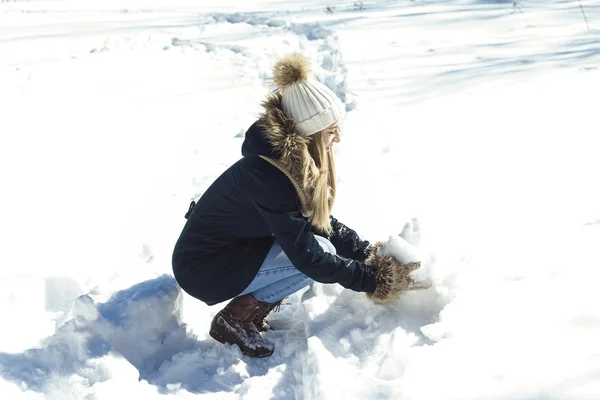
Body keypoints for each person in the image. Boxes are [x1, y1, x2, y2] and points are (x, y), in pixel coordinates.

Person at [172, 52, 425, 358]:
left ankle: (247, 310)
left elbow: (314, 222)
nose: (338, 140)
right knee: (317, 257)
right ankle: (235, 319)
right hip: (203, 268)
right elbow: (308, 255)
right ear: (311, 133)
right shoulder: (271, 175)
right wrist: (371, 280)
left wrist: (365, 252)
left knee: (318, 252)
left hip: (232, 250)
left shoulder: (287, 161)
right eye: (331, 132)